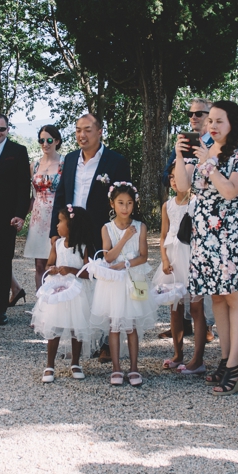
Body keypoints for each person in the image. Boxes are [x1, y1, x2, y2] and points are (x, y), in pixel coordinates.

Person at [189, 101, 238, 396]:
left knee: (235, 298)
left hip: (231, 235)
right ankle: (225, 360)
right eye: (210, 121)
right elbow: (184, 187)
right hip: (205, 235)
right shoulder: (206, 152)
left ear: (233, 124)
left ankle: (236, 367)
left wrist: (207, 163)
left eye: (219, 121)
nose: (212, 126)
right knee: (217, 298)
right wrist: (187, 159)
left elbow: (230, 191)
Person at [90, 180, 150, 387]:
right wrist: (124, 239)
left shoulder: (140, 227)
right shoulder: (107, 228)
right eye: (121, 203)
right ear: (112, 204)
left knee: (131, 326)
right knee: (114, 326)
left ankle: (134, 368)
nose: (125, 208)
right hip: (114, 284)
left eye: (130, 203)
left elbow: (143, 256)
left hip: (133, 278)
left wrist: (125, 263)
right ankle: (116, 368)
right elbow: (108, 258)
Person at [157, 158, 207, 375]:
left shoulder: (198, 202)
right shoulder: (167, 205)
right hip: (172, 259)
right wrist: (165, 260)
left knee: (196, 309)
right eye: (172, 178)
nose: (176, 181)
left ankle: (198, 358)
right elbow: (162, 236)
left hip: (192, 257)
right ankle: (178, 354)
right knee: (175, 308)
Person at [33, 203, 95, 381]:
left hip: (77, 292)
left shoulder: (83, 246)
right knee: (55, 326)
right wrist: (52, 269)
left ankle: (75, 362)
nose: (57, 225)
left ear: (72, 225)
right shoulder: (57, 244)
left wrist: (71, 270)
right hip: (58, 290)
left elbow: (88, 271)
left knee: (77, 327)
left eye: (60, 222)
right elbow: (48, 264)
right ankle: (49, 365)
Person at [0, 113, 31, 322]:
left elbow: (23, 186)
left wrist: (20, 215)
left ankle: (0, 308)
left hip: (6, 218)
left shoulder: (18, 151)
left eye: (1, 129)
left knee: (3, 263)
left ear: (8, 130)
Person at [53, 111, 131, 245]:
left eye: (87, 130)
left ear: (99, 132)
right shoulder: (70, 159)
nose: (82, 135)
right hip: (71, 232)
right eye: (78, 131)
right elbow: (61, 196)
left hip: (102, 233)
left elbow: (125, 199)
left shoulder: (116, 161)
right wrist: (54, 232)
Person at [26, 124, 63, 288]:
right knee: (40, 265)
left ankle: (58, 303)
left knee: (59, 262)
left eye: (49, 140)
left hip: (58, 216)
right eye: (41, 140)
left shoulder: (65, 163)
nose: (45, 144)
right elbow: (31, 195)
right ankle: (41, 305)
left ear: (57, 141)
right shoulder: (34, 165)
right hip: (38, 219)